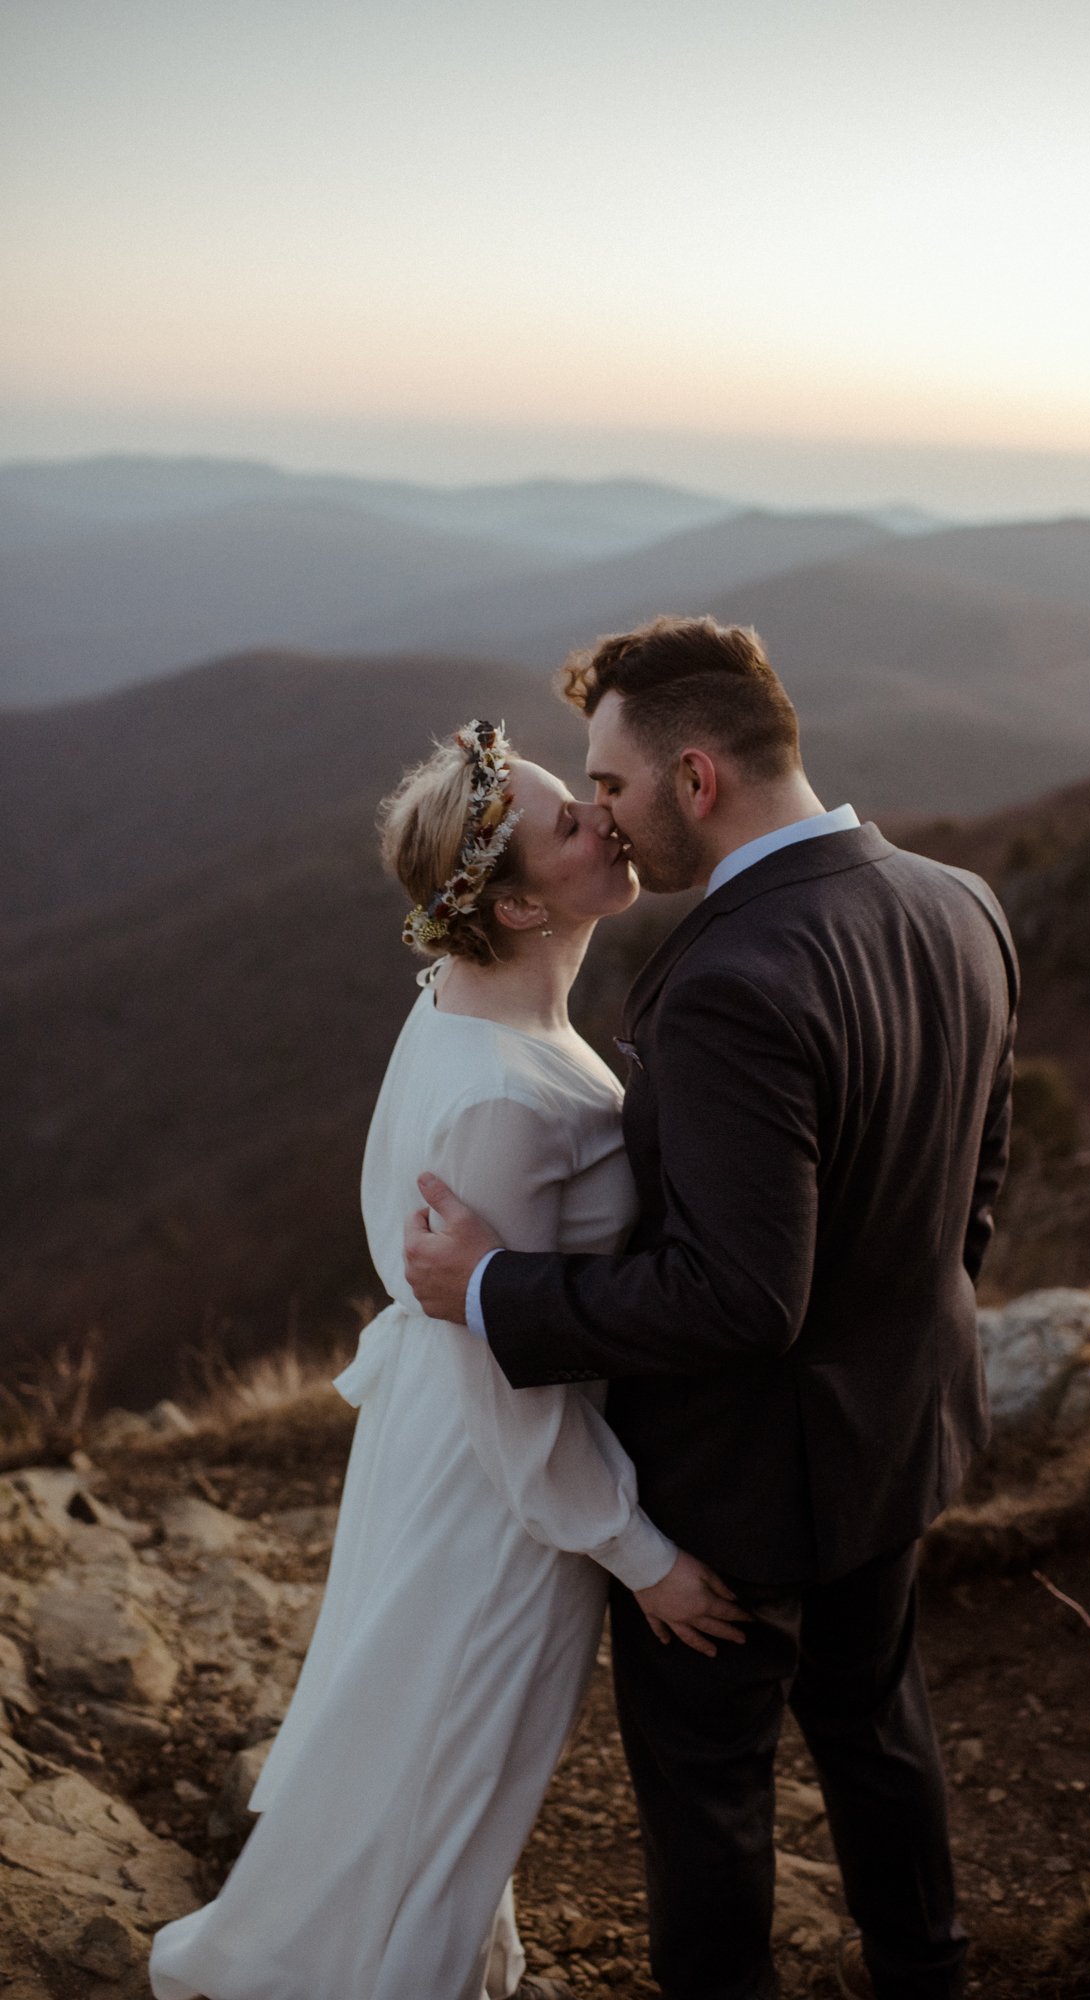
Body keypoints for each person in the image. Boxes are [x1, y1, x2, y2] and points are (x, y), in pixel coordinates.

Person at [405, 619, 1020, 2000]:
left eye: (608, 787)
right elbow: (972, 1177)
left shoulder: (730, 981)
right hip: (900, 1436)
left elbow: (739, 1298)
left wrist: (494, 1287)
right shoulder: (956, 901)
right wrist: (893, 1340)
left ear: (693, 780)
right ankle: (929, 1974)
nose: (602, 816)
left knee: (710, 1801)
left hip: (739, 1488)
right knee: (875, 1732)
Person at [149, 720, 745, 2000]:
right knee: (451, 1760)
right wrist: (645, 1558)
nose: (604, 817)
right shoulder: (499, 1100)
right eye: (570, 820)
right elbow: (507, 1379)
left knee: (424, 1744)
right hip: (493, 1494)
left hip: (444, 1434)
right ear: (523, 901)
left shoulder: (465, 1007)